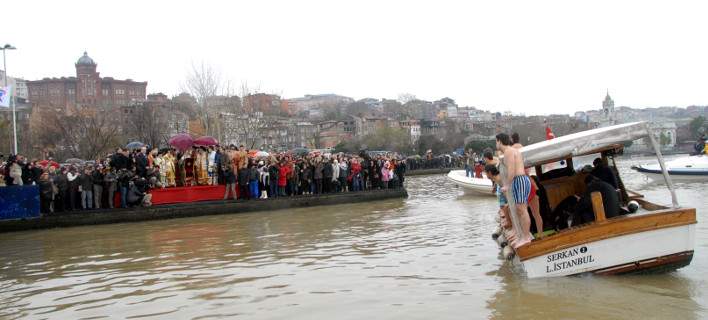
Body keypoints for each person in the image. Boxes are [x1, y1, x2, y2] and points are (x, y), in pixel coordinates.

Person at [497, 133, 533, 247]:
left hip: (519, 180)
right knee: (520, 210)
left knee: (522, 210)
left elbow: (511, 170)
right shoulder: (512, 150)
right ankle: (523, 236)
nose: (496, 144)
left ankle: (526, 237)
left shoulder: (508, 152)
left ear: (499, 141)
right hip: (521, 180)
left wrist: (507, 185)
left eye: (496, 141)